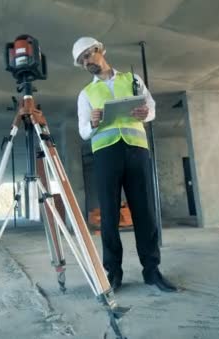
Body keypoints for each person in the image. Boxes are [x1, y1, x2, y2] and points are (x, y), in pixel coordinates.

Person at [72, 37, 177, 292]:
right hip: (106, 154)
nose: (87, 62)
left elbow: (150, 107)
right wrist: (93, 123)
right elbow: (83, 131)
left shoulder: (132, 80)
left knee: (144, 213)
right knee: (109, 216)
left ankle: (151, 271)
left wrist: (146, 114)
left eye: (88, 55)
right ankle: (113, 274)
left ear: (100, 50)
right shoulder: (85, 94)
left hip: (136, 150)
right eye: (82, 60)